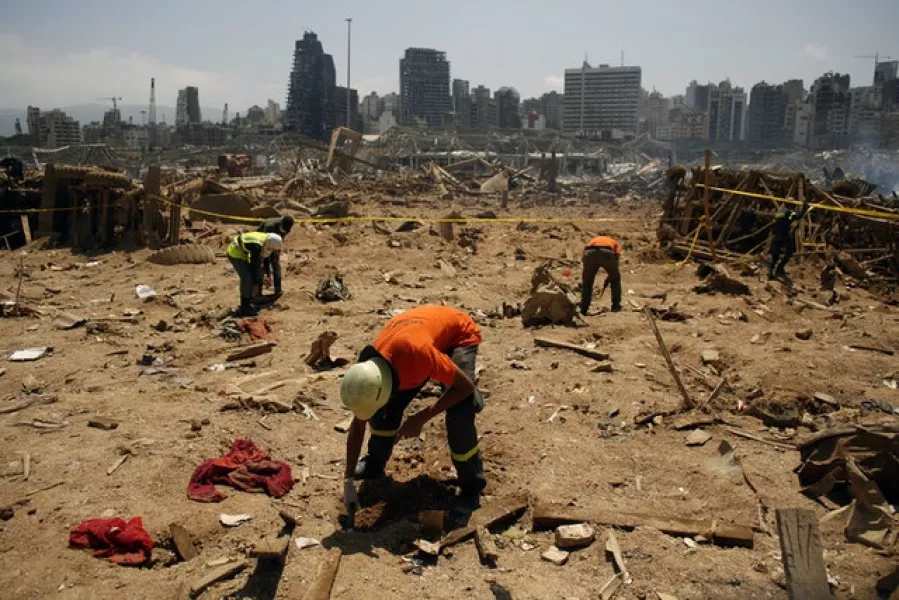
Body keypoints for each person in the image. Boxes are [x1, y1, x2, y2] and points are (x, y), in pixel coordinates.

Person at [340, 305, 486, 518]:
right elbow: (358, 423)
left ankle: (472, 486)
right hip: (419, 343)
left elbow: (463, 387)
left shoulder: (417, 355)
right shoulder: (367, 373)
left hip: (457, 335)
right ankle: (375, 462)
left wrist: (420, 417)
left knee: (459, 415)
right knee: (383, 410)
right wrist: (348, 480)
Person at [226, 231, 282, 317]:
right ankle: (245, 307)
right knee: (247, 278)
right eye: (271, 249)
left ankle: (253, 298)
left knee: (256, 274)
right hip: (235, 252)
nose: (271, 251)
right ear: (270, 245)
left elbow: (265, 259)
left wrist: (267, 275)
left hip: (246, 253)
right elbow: (254, 266)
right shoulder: (256, 246)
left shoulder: (267, 241)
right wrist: (255, 284)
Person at [769, 198, 810, 280]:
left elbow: (774, 223)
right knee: (789, 252)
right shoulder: (789, 212)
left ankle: (771, 272)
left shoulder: (779, 212)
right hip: (784, 236)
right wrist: (805, 207)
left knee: (775, 256)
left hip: (776, 236)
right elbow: (798, 216)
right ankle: (779, 268)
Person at [581, 235, 622, 315]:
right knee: (615, 279)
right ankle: (616, 306)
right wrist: (611, 277)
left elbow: (584, 253)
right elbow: (616, 260)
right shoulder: (614, 242)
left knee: (587, 283)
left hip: (589, 253)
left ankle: (584, 308)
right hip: (607, 252)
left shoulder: (594, 240)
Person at [256, 215, 294, 296]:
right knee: (261, 267)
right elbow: (265, 248)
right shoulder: (270, 226)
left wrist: (278, 250)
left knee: (276, 264)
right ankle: (258, 293)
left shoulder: (286, 227)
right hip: (260, 243)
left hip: (273, 242)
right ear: (281, 223)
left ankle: (278, 290)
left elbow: (281, 239)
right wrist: (268, 275)